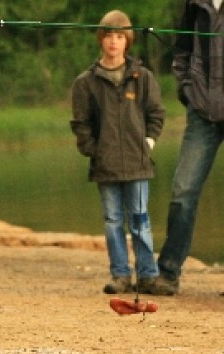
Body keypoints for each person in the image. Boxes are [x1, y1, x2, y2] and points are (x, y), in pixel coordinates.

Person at [70, 10, 165, 295]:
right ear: (101, 39)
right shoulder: (86, 82)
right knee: (113, 222)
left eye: (120, 36)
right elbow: (80, 123)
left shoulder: (142, 77)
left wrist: (148, 142)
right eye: (109, 35)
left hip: (138, 163)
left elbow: (156, 114)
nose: (114, 41)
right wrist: (94, 151)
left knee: (140, 218)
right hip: (105, 165)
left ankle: (148, 275)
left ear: (128, 41)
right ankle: (121, 275)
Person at [153, 0, 224, 296]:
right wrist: (186, 89)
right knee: (183, 191)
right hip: (201, 113)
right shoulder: (194, 4)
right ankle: (168, 273)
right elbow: (181, 51)